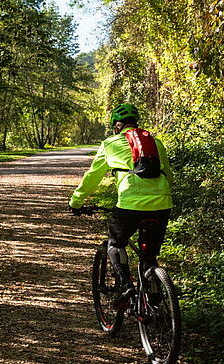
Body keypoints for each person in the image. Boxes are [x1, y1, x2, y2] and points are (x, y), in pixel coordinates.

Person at [69, 103, 174, 302]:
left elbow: (93, 176)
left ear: (116, 125)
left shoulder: (110, 144)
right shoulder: (155, 142)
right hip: (162, 204)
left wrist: (76, 202)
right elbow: (168, 174)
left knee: (115, 242)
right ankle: (154, 298)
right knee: (149, 257)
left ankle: (126, 285)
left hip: (130, 204)